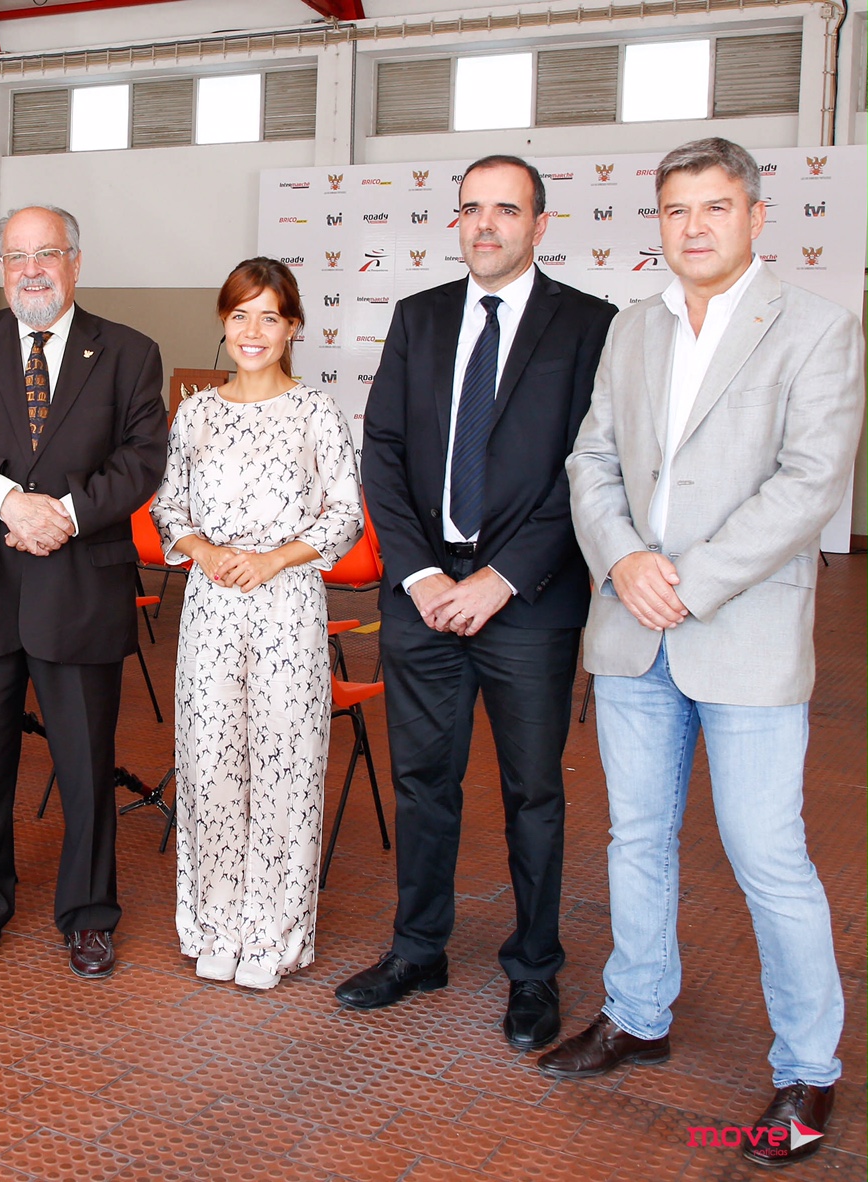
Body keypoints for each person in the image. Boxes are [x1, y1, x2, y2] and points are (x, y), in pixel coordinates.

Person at [547, 138, 861, 1167]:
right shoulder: (632, 328)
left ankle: (807, 1068)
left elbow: (809, 481)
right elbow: (591, 459)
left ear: (755, 217)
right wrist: (623, 559)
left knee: (767, 856)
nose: (693, 226)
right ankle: (636, 1015)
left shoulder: (816, 327)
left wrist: (687, 578)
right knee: (634, 839)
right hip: (633, 631)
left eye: (714, 207)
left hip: (743, 634)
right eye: (676, 209)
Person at [339, 155, 617, 1051]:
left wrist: (501, 578)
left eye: (506, 209)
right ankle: (418, 950)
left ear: (541, 223)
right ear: (457, 222)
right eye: (471, 209)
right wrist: (419, 575)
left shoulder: (590, 325)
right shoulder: (419, 317)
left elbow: (588, 469)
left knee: (533, 791)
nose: (486, 225)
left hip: (528, 600)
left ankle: (534, 969)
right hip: (424, 596)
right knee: (424, 783)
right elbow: (383, 452)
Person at [0, 205, 167, 980]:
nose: (31, 270)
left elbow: (143, 459)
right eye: (16, 256)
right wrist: (10, 504)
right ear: (1, 267)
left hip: (81, 584)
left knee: (86, 767)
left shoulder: (130, 352)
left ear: (75, 261)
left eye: (47, 254)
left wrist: (62, 514)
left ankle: (89, 916)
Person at [151, 258, 362, 990]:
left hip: (287, 606)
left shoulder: (317, 412)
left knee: (286, 766)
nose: (253, 331)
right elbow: (168, 506)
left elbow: (345, 514)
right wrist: (206, 551)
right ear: (223, 321)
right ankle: (214, 925)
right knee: (209, 763)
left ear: (292, 327)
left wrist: (273, 560)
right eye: (240, 315)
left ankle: (274, 934)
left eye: (269, 316)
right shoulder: (196, 413)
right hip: (211, 606)